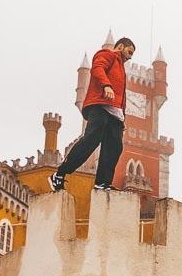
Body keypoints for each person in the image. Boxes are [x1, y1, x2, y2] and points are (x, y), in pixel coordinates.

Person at [49, 37, 136, 193]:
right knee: (91, 140)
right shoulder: (107, 54)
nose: (130, 57)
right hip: (100, 106)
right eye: (129, 52)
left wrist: (122, 118)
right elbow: (97, 68)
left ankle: (102, 183)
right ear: (120, 46)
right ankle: (60, 174)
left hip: (115, 113)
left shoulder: (121, 68)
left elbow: (121, 96)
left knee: (114, 147)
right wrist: (106, 85)